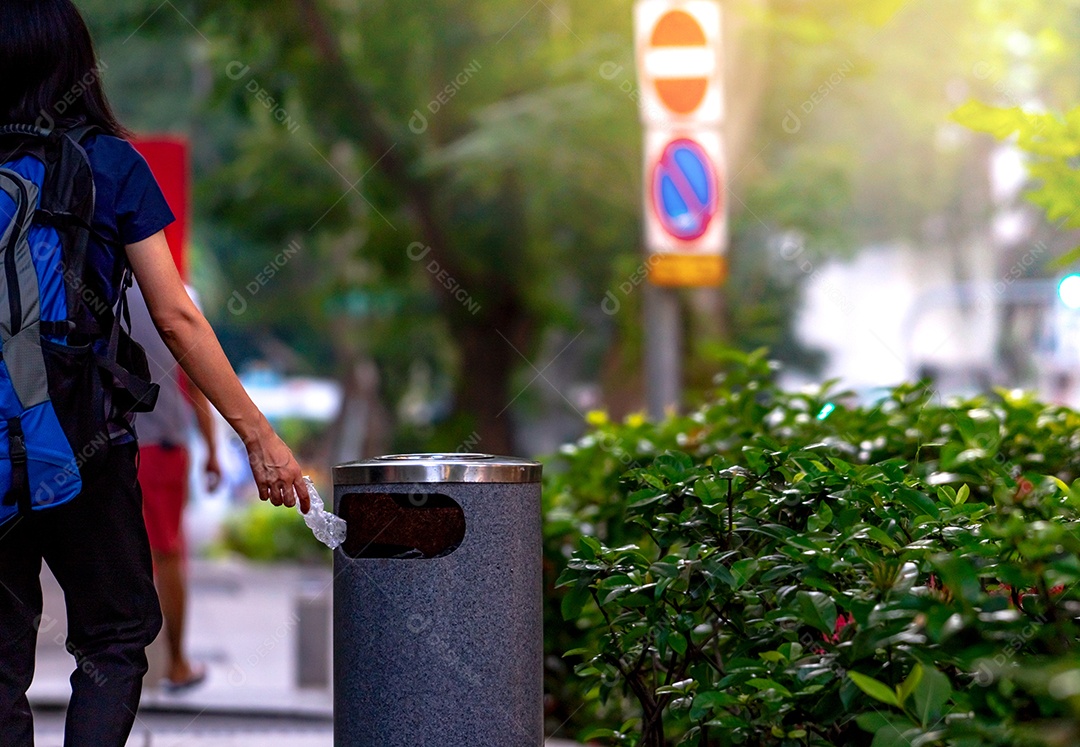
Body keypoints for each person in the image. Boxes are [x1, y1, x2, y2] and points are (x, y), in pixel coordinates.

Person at [0, 2, 310, 744]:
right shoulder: (112, 162)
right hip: (85, 443)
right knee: (111, 639)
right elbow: (176, 317)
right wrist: (257, 435)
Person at [130, 280, 221, 692]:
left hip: (108, 444)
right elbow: (199, 379)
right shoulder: (179, 296)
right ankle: (177, 663)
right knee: (167, 555)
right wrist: (213, 448)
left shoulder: (95, 283)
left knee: (125, 552)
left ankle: (120, 662)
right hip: (162, 446)